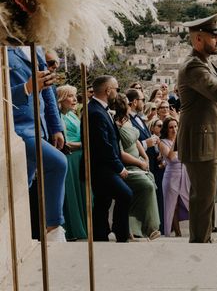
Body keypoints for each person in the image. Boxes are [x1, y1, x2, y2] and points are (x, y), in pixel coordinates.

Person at [177, 14, 217, 243]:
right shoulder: (194, 65)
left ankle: (204, 241)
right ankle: (200, 244)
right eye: (214, 36)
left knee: (207, 196)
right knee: (203, 198)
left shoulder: (205, 63)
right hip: (200, 141)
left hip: (208, 139)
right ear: (198, 39)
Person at [8, 47, 68, 242]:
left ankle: (15, 237)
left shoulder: (37, 47)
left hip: (39, 127)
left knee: (21, 185)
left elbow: (47, 91)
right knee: (58, 163)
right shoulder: (4, 50)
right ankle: (53, 229)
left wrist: (55, 127)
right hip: (17, 128)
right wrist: (26, 88)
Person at [87, 75, 132, 242]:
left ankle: (100, 234)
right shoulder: (95, 112)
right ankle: (120, 233)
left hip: (104, 166)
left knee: (102, 201)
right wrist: (119, 167)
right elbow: (103, 145)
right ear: (108, 90)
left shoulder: (98, 109)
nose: (117, 93)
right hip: (102, 168)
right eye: (116, 89)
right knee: (125, 194)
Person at [113, 94, 161, 240]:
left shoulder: (128, 121)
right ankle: (151, 227)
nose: (130, 105)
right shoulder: (115, 123)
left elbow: (136, 141)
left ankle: (133, 227)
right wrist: (139, 162)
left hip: (139, 162)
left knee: (149, 183)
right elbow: (119, 151)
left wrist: (144, 158)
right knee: (146, 186)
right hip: (127, 165)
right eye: (128, 103)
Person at [126, 88, 163, 233]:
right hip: (135, 162)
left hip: (149, 161)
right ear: (135, 102)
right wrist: (145, 144)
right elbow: (131, 142)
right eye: (142, 99)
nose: (144, 102)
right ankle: (143, 228)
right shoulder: (128, 119)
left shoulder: (139, 118)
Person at [56, 85, 87, 240]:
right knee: (71, 196)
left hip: (79, 159)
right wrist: (86, 144)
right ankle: (72, 229)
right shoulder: (59, 117)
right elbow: (65, 144)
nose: (75, 99)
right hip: (70, 158)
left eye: (75, 96)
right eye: (70, 96)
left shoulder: (72, 115)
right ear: (61, 99)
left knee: (81, 194)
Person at [160, 117, 190, 237]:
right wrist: (176, 139)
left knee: (189, 201)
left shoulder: (184, 140)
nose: (174, 129)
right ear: (166, 130)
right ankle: (175, 232)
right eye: (171, 127)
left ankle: (196, 229)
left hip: (185, 174)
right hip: (171, 176)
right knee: (173, 205)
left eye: (176, 126)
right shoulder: (163, 143)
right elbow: (171, 157)